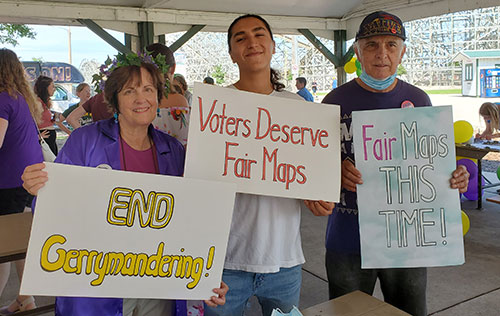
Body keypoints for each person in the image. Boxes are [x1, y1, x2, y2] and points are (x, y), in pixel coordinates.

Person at [21, 55, 228, 316]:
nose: (141, 99)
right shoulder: (85, 141)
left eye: (148, 90)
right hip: (97, 280)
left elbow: (192, 220)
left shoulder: (173, 150)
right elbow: (52, 209)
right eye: (130, 91)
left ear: (158, 96)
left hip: (158, 280)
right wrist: (38, 188)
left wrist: (206, 274)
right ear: (115, 99)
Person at [320, 11, 470, 316]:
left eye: (391, 44)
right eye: (372, 44)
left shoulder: (420, 100)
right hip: (348, 237)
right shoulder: (334, 101)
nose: (381, 53)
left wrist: (453, 178)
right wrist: (333, 172)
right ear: (358, 51)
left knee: (411, 311)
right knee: (347, 313)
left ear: (402, 51)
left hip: (407, 241)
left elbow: (431, 163)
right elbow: (312, 167)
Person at [204, 14, 335, 316]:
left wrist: (316, 195)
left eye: (259, 34)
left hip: (284, 262)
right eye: (240, 37)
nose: (251, 42)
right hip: (224, 263)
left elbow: (309, 177)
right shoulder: (213, 108)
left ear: (273, 46)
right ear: (231, 53)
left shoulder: (298, 108)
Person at [0, 48, 42, 314]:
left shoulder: (2, 99)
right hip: (30, 177)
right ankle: (25, 298)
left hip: (9, 181)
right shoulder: (22, 98)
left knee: (4, 243)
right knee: (20, 242)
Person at [147, 43, 190, 147]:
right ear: (173, 68)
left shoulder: (140, 102)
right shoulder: (180, 101)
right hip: (177, 161)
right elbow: (186, 143)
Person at [33, 75, 61, 155]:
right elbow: (31, 121)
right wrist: (37, 136)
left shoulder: (45, 103)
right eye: (52, 87)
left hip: (49, 138)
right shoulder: (38, 103)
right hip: (45, 138)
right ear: (45, 88)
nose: (54, 89)